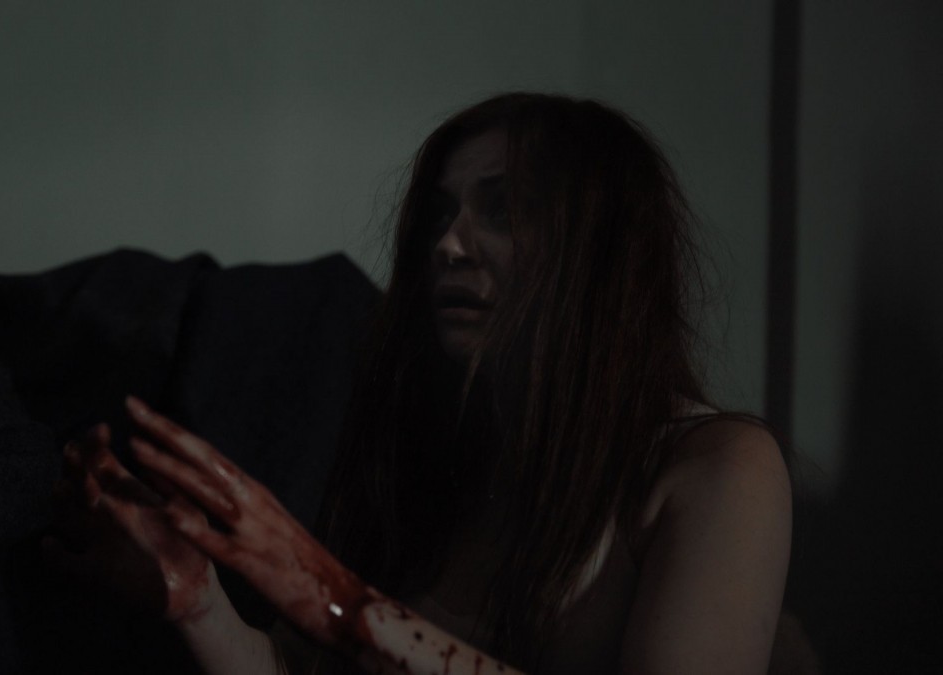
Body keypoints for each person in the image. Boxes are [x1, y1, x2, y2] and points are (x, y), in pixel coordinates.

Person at [44, 92, 794, 674]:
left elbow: (341, 616)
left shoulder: (720, 466)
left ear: (598, 254)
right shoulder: (425, 449)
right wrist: (196, 597)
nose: (448, 244)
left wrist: (335, 597)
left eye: (502, 209)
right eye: (439, 214)